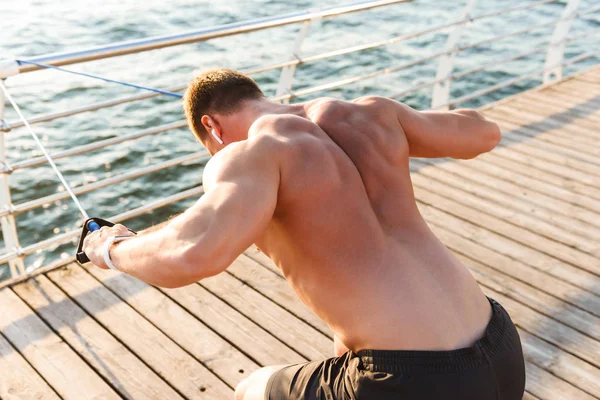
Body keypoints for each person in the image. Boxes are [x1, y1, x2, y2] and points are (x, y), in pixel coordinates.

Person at [83, 69, 526, 400]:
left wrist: (110, 247)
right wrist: (395, 121)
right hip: (502, 346)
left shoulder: (250, 154)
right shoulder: (369, 114)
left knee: (253, 390)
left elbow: (191, 253)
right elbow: (483, 133)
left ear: (212, 128)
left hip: (414, 381)